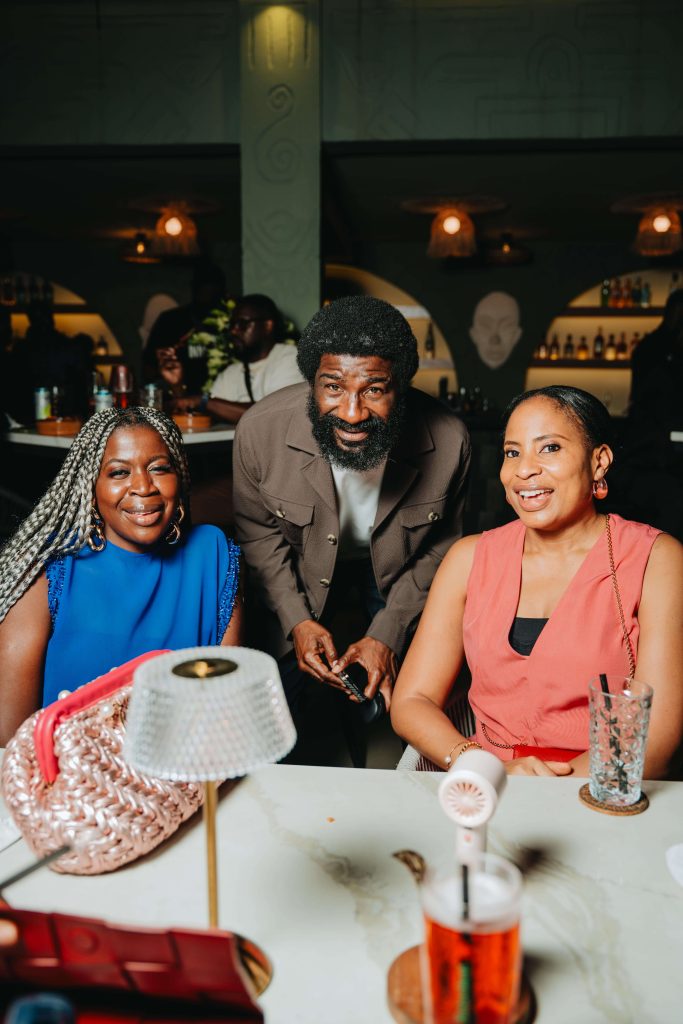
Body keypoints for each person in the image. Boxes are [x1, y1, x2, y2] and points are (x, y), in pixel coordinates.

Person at [391, 385, 683, 778]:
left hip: (604, 785)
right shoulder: (469, 558)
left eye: (550, 448)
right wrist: (479, 764)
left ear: (599, 462)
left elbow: (657, 739)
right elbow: (412, 699)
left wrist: (550, 791)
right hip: (489, 782)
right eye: (513, 452)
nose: (524, 469)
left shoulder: (657, 559)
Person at [232, 294, 471, 732]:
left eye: (374, 389)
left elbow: (441, 550)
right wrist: (297, 619)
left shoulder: (450, 440)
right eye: (333, 386)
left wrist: (389, 631)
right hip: (299, 566)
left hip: (398, 574)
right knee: (275, 713)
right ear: (311, 381)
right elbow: (259, 535)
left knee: (410, 705)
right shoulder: (258, 431)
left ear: (400, 387)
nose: (352, 412)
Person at [0, 407, 242, 744]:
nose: (143, 487)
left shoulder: (213, 555)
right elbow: (8, 739)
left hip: (182, 772)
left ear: (180, 477)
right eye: (118, 473)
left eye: (159, 468)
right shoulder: (48, 569)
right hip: (70, 781)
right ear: (91, 487)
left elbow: (228, 710)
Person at [164, 293, 304, 424]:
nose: (233, 331)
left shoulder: (290, 357)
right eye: (232, 325)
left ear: (267, 326)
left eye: (242, 323)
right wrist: (177, 386)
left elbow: (272, 414)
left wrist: (203, 401)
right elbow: (204, 415)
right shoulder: (231, 373)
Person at [143, 262, 227, 395]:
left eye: (212, 288)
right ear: (193, 288)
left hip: (223, 399)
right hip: (179, 396)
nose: (206, 293)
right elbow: (148, 368)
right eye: (202, 286)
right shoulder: (171, 320)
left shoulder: (230, 323)